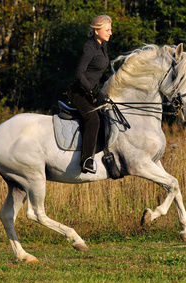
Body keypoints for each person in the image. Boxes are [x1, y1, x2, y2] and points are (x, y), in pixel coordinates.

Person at [68, 15, 112, 174]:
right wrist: (92, 91)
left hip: (93, 92)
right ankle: (86, 160)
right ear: (97, 30)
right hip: (79, 92)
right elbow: (79, 74)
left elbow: (98, 72)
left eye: (110, 29)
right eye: (107, 30)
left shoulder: (102, 46)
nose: (110, 33)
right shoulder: (89, 47)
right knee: (93, 119)